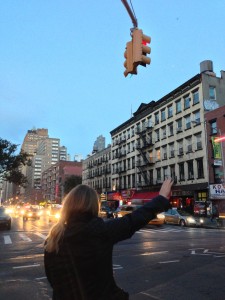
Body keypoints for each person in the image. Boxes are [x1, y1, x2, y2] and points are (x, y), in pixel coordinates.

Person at [44, 178, 173, 300]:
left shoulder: (53, 239)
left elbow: (52, 279)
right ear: (94, 206)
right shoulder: (100, 231)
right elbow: (133, 220)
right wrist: (160, 199)